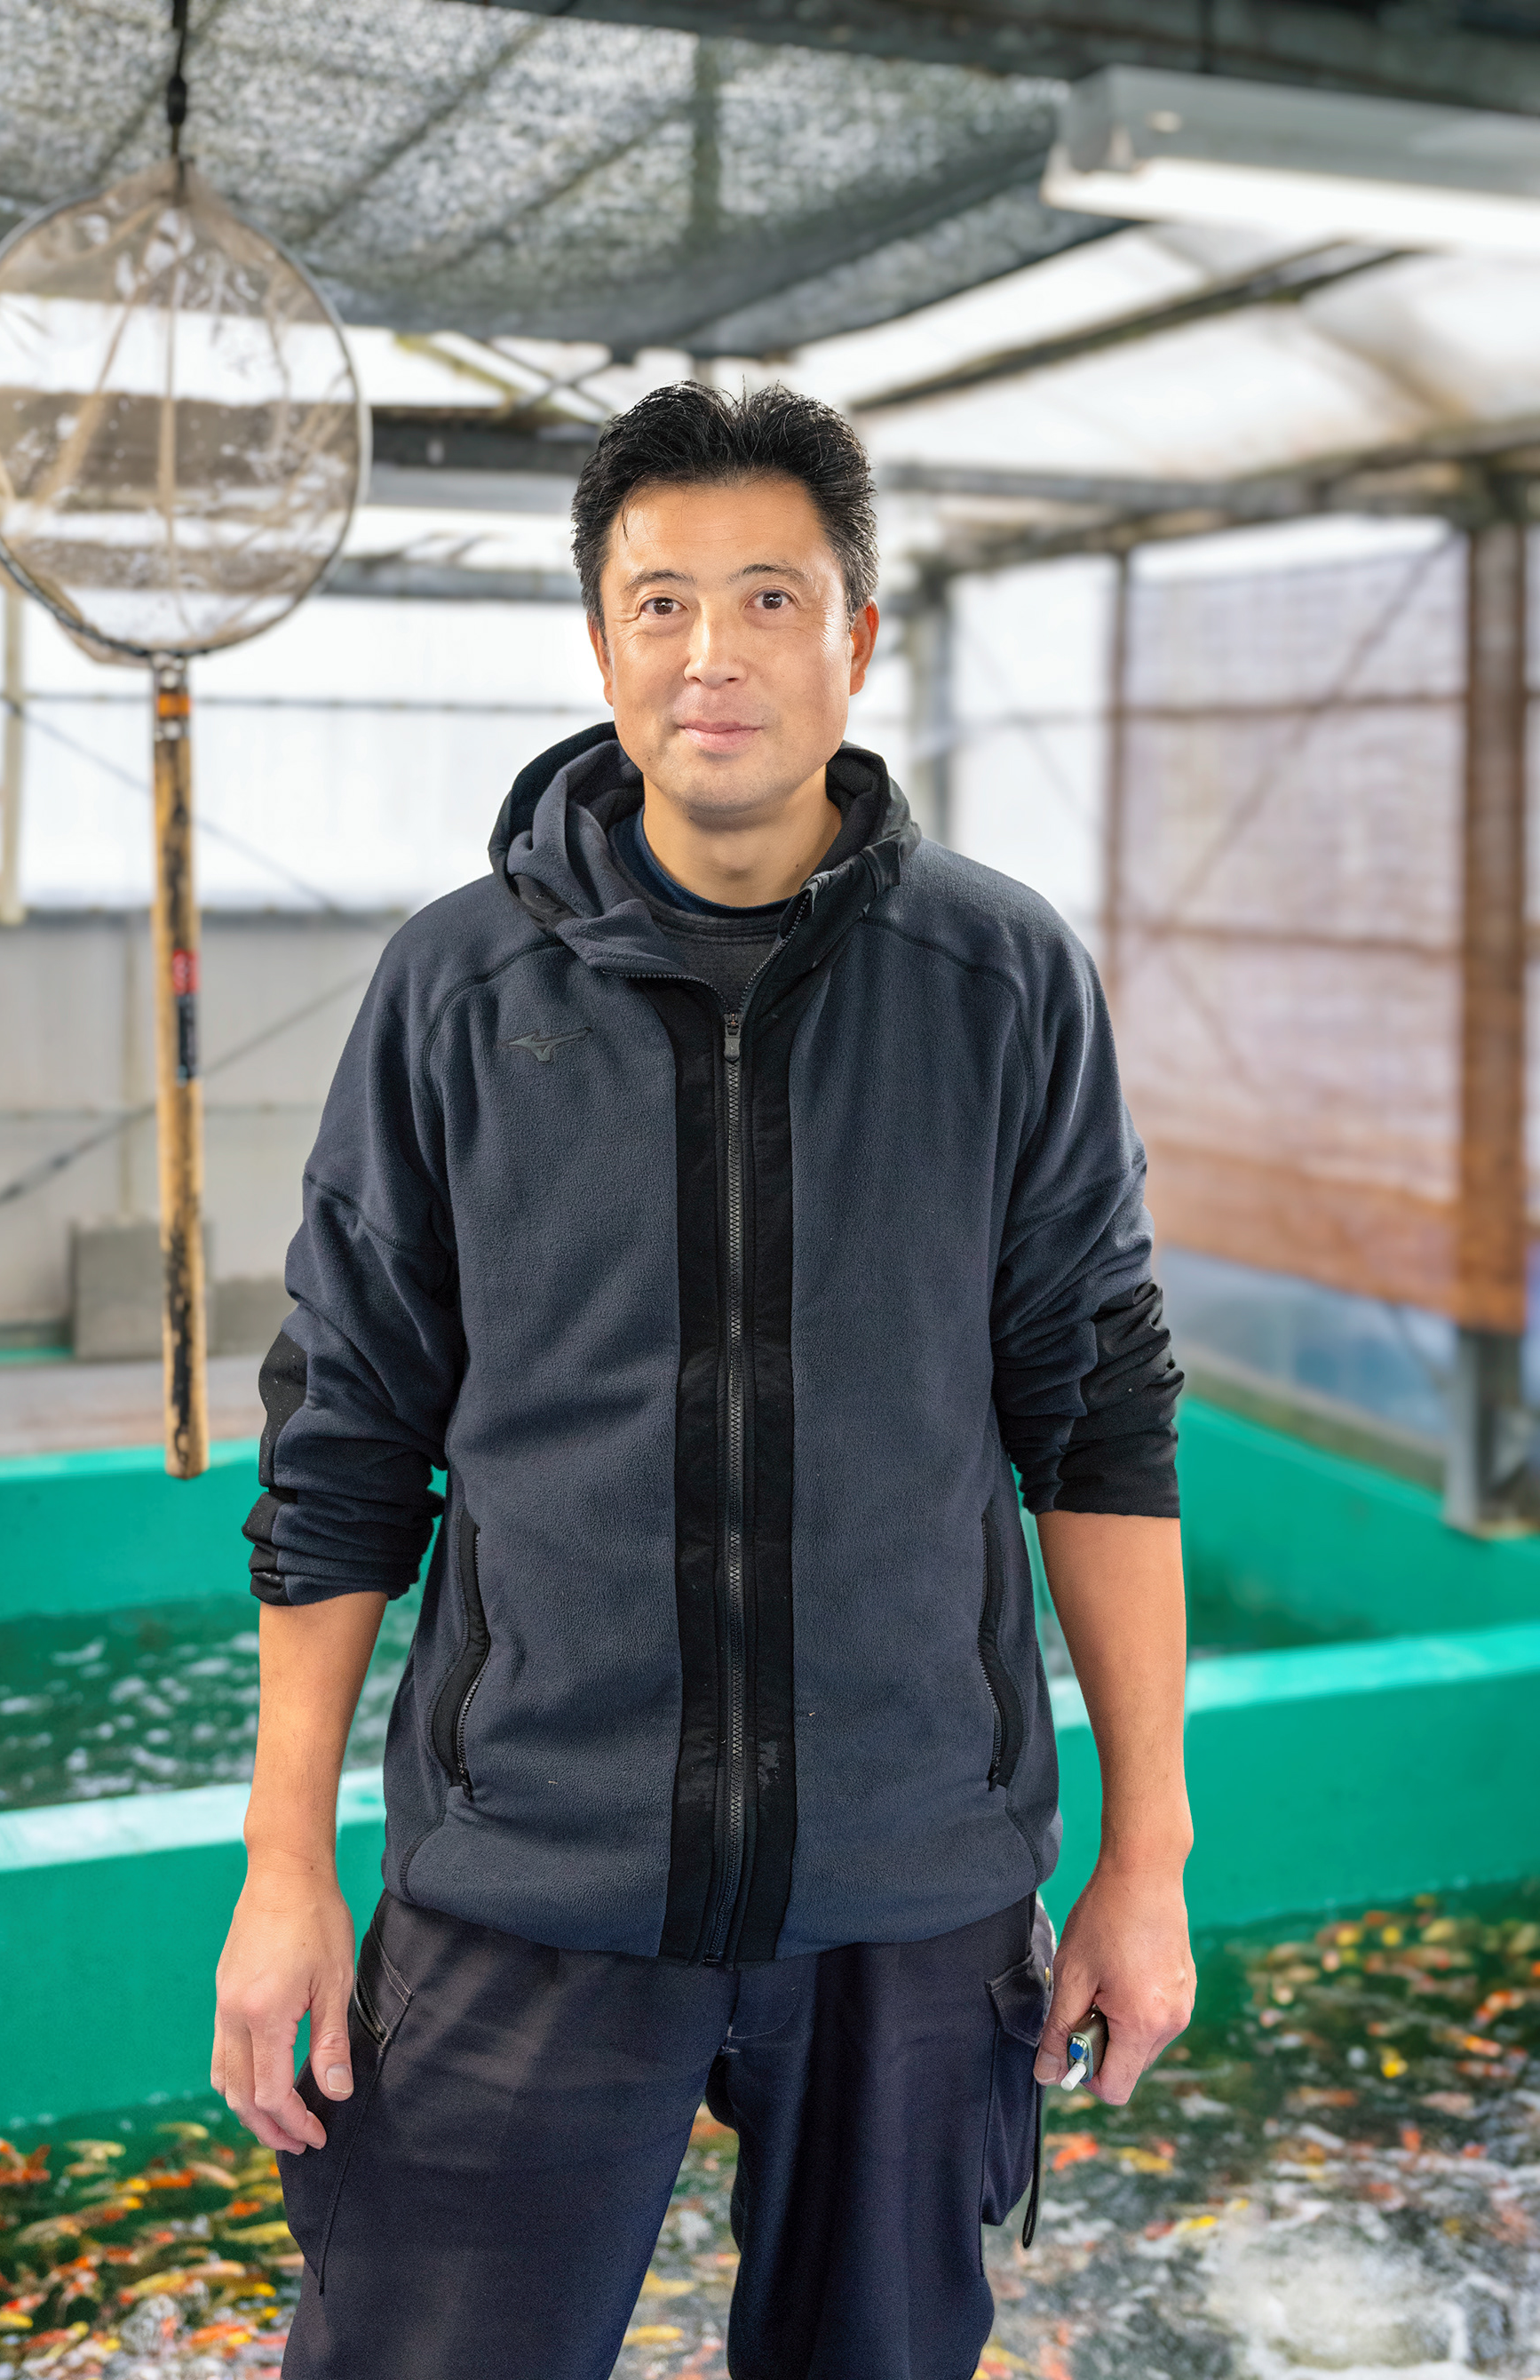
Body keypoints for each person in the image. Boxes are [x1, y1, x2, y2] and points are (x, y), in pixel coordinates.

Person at [211, 382, 1194, 2380]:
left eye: (769, 595)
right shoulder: (457, 994)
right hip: (532, 1869)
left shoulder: (1003, 985)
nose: (711, 651)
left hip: (915, 1880)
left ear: (858, 638)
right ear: (599, 646)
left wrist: (1147, 1851)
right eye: (659, 603)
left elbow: (1096, 1413)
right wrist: (284, 1859)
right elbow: (343, 1441)